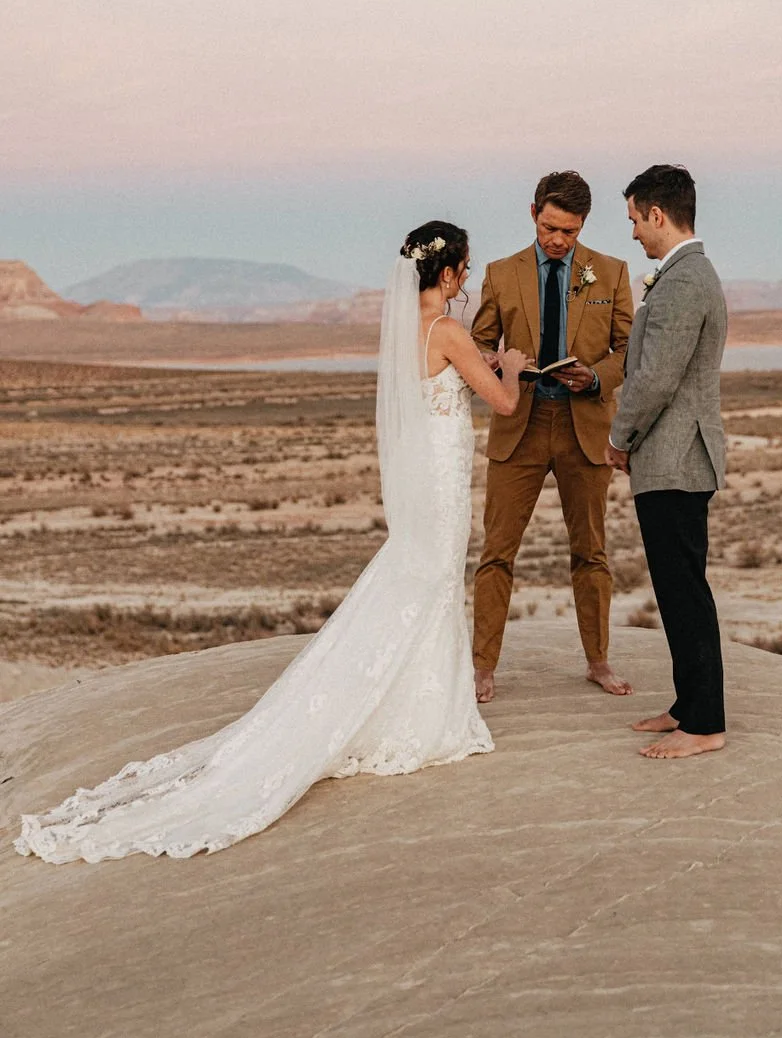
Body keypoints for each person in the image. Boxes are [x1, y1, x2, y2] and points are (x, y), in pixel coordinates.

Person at [15, 222, 528, 864]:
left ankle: (419, 702)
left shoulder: (404, 331)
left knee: (417, 578)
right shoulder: (448, 333)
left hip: (426, 477)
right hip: (443, 481)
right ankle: (423, 714)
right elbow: (504, 404)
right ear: (448, 273)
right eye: (465, 269)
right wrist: (509, 366)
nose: (468, 280)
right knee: (430, 579)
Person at [471, 170, 635, 704]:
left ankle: (598, 661)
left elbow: (629, 349)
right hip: (518, 427)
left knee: (591, 552)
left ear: (583, 224)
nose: (557, 240)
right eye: (548, 227)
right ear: (533, 212)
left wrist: (596, 377)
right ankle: (482, 669)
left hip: (583, 427)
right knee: (497, 553)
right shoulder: (500, 273)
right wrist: (502, 366)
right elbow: (476, 345)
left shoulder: (610, 273)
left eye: (568, 230)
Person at [605, 165, 729, 760]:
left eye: (634, 219)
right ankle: (687, 704)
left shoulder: (682, 281)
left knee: (684, 592)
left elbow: (655, 377)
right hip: (675, 456)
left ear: (658, 214)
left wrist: (619, 438)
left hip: (675, 458)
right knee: (676, 587)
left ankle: (704, 723)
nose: (632, 233)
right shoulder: (686, 274)